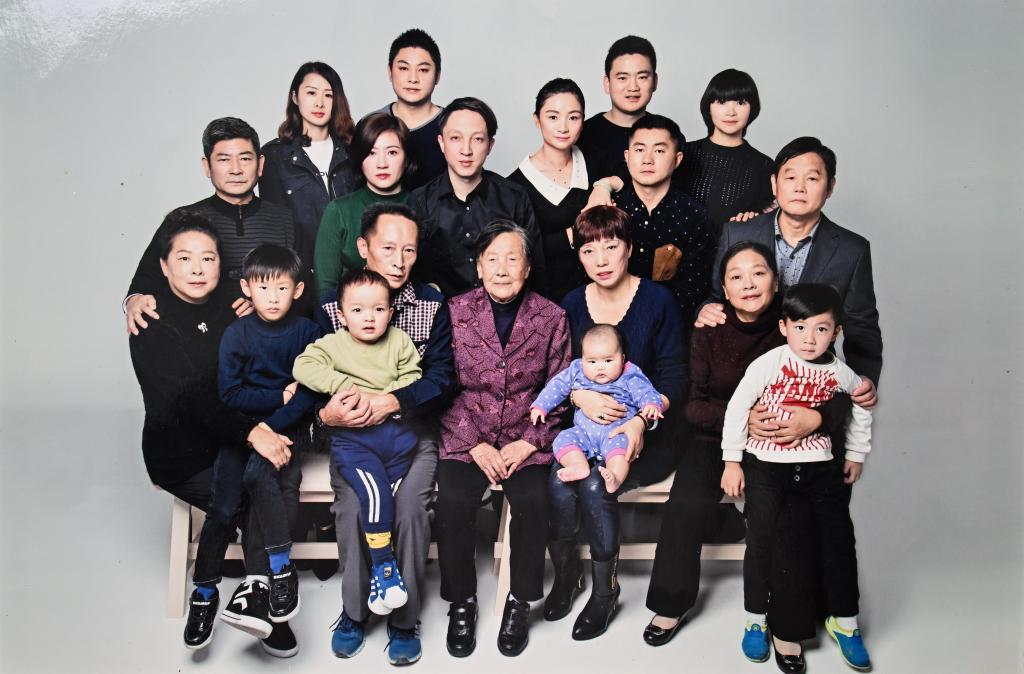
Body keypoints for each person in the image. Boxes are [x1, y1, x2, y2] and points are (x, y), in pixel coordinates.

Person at [642, 242, 852, 660]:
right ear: (723, 289)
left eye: (758, 273)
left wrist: (815, 418)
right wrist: (741, 421)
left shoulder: (793, 326)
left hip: (780, 443)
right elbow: (694, 404)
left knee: (788, 518)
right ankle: (671, 603)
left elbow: (839, 388)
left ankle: (787, 624)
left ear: (776, 283)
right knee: (686, 502)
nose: (748, 284)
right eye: (736, 277)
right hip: (714, 438)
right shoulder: (709, 328)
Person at [127, 211, 299, 657]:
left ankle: (259, 600)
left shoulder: (234, 302)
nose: (198, 268)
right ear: (163, 266)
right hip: (182, 454)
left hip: (231, 438)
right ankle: (218, 596)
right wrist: (254, 432)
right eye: (184, 259)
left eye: (208, 258)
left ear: (222, 264)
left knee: (264, 483)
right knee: (249, 498)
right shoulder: (150, 320)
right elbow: (187, 399)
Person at [317, 202, 455, 667]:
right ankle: (354, 613)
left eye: (409, 250)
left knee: (412, 509)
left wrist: (393, 401)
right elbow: (310, 377)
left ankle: (404, 620)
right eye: (388, 248)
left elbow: (442, 379)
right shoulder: (332, 306)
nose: (399, 260)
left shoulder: (431, 305)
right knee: (353, 507)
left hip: (412, 437)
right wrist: (327, 415)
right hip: (354, 440)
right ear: (364, 247)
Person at [548, 206, 685, 640]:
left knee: (594, 484)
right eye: (589, 250)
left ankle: (605, 591)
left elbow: (674, 377)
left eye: (611, 246)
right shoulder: (572, 303)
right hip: (585, 432)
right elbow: (560, 372)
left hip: (644, 433)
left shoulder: (658, 300)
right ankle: (567, 577)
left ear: (629, 248)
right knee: (557, 483)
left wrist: (641, 423)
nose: (601, 259)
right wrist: (579, 395)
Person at [721, 283, 874, 672]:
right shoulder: (770, 363)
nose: (809, 339)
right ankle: (756, 619)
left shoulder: (838, 371)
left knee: (839, 542)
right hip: (766, 465)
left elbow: (862, 402)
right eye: (800, 327)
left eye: (821, 329)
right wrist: (732, 461)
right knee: (763, 542)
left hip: (819, 467)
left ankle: (845, 621)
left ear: (836, 332)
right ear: (784, 327)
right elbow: (738, 407)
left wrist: (855, 454)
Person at [435, 221, 570, 658]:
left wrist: (530, 442)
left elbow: (560, 389)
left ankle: (519, 601)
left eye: (513, 259)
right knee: (452, 502)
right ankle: (462, 601)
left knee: (533, 501)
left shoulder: (552, 317)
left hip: (524, 438)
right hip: (467, 434)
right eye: (492, 259)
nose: (502, 269)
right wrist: (473, 443)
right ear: (478, 266)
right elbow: (440, 385)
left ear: (528, 267)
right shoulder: (453, 312)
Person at [696, 136, 883, 392]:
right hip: (737, 375)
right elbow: (715, 297)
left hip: (809, 382)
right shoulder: (737, 233)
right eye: (791, 177)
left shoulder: (852, 250)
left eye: (812, 179)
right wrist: (705, 309)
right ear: (774, 184)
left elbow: (861, 325)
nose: (799, 188)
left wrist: (864, 378)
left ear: (830, 187)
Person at [209, 244, 321, 640]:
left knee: (272, 476)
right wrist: (276, 399)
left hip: (290, 427)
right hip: (247, 428)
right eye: (263, 288)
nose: (272, 298)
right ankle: (273, 572)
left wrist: (273, 427)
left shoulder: (308, 332)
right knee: (254, 479)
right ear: (246, 288)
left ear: (298, 290)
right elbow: (230, 394)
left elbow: (310, 394)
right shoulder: (237, 334)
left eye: (282, 288)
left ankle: (267, 574)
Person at [294, 269, 422, 615]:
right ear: (341, 314)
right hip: (354, 442)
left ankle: (383, 581)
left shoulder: (399, 341)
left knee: (390, 498)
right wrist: (346, 387)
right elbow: (303, 366)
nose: (369, 317)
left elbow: (413, 377)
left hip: (397, 437)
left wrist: (383, 397)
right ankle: (384, 566)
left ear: (390, 313)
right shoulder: (333, 344)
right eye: (358, 310)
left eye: (378, 309)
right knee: (374, 494)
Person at [123, 117, 295, 335]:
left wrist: (265, 306)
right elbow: (145, 281)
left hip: (271, 339)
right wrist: (134, 300)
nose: (236, 170)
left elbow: (303, 288)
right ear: (207, 166)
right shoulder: (182, 219)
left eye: (245, 159)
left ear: (260, 164)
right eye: (224, 160)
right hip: (199, 338)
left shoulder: (285, 220)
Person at [408, 96, 544, 297]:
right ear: (441, 143)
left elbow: (535, 266)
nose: (466, 150)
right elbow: (412, 271)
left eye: (477, 139)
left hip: (505, 310)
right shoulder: (420, 201)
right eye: (456, 138)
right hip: (441, 312)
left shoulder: (514, 197)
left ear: (490, 145)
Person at [595, 114, 714, 329]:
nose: (647, 159)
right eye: (639, 150)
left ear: (677, 159)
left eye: (659, 151)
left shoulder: (694, 215)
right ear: (627, 156)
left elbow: (693, 289)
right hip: (606, 326)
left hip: (669, 326)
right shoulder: (609, 208)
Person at [530, 324, 664, 492]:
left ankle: (615, 477)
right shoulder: (576, 370)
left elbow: (645, 391)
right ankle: (578, 465)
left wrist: (650, 405)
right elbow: (557, 386)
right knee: (563, 439)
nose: (600, 367)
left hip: (616, 432)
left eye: (608, 361)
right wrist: (541, 406)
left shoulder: (629, 374)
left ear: (622, 359)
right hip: (583, 433)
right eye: (592, 361)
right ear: (582, 359)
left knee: (623, 450)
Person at [260, 61, 357, 263]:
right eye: (311, 93)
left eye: (328, 95)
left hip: (351, 271)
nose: (320, 103)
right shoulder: (275, 156)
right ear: (295, 97)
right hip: (302, 271)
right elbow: (274, 226)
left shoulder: (352, 151)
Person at [507, 78, 591, 301]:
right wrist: (575, 233)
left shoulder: (595, 163)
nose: (563, 127)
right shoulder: (515, 187)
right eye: (553, 117)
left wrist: (604, 186)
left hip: (600, 296)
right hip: (546, 301)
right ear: (537, 120)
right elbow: (523, 251)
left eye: (573, 117)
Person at [315, 112, 411, 295]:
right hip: (349, 310)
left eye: (392, 152)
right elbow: (325, 289)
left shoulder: (422, 205)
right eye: (371, 153)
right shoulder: (339, 210)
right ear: (359, 158)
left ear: (406, 158)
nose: (382, 164)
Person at [673, 69, 775, 238]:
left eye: (740, 102)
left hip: (735, 251)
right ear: (708, 106)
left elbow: (766, 225)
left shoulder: (764, 165)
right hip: (679, 250)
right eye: (721, 102)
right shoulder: (684, 153)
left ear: (753, 108)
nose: (731, 112)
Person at [577, 35, 658, 184]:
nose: (633, 87)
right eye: (622, 78)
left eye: (642, 77)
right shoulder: (583, 134)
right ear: (607, 83)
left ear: (655, 82)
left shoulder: (667, 134)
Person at [381, 28, 446, 190]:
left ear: (437, 75)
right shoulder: (372, 124)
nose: (413, 79)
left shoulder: (452, 125)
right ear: (390, 72)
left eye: (423, 70)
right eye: (403, 68)